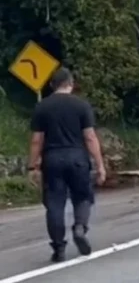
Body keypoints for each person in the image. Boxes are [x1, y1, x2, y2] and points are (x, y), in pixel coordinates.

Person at [26, 67, 106, 263]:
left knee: (54, 204)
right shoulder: (82, 106)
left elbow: (37, 140)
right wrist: (100, 165)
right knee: (83, 197)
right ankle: (80, 228)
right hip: (77, 158)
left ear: (52, 85)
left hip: (52, 159)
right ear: (71, 84)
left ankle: (58, 248)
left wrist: (32, 167)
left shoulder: (42, 107)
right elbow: (90, 137)